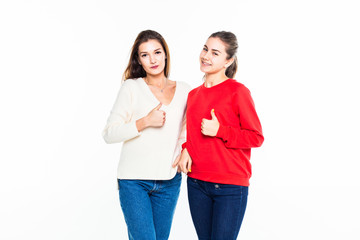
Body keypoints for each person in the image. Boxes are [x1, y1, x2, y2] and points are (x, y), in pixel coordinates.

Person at [173, 31, 264, 240]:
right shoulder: (193, 95)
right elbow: (194, 133)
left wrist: (220, 131)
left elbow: (256, 137)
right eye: (205, 49)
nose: (206, 56)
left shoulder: (238, 91)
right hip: (196, 183)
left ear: (228, 61)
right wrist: (186, 148)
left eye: (215, 53)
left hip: (230, 187)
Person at [103, 30, 191, 240]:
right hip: (134, 182)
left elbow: (187, 131)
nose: (152, 60)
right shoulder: (132, 87)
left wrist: (186, 149)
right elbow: (109, 134)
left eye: (157, 52)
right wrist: (145, 122)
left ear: (165, 55)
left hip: (169, 181)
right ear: (139, 60)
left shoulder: (186, 90)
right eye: (145, 55)